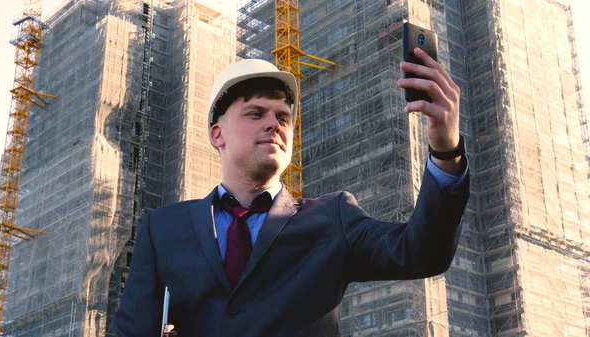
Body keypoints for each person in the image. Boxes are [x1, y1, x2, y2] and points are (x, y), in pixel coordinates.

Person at [113, 48, 469, 337]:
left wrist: (446, 150)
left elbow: (422, 252)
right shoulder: (161, 229)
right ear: (217, 134)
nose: (274, 124)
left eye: (283, 117)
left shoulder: (334, 217)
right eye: (255, 113)